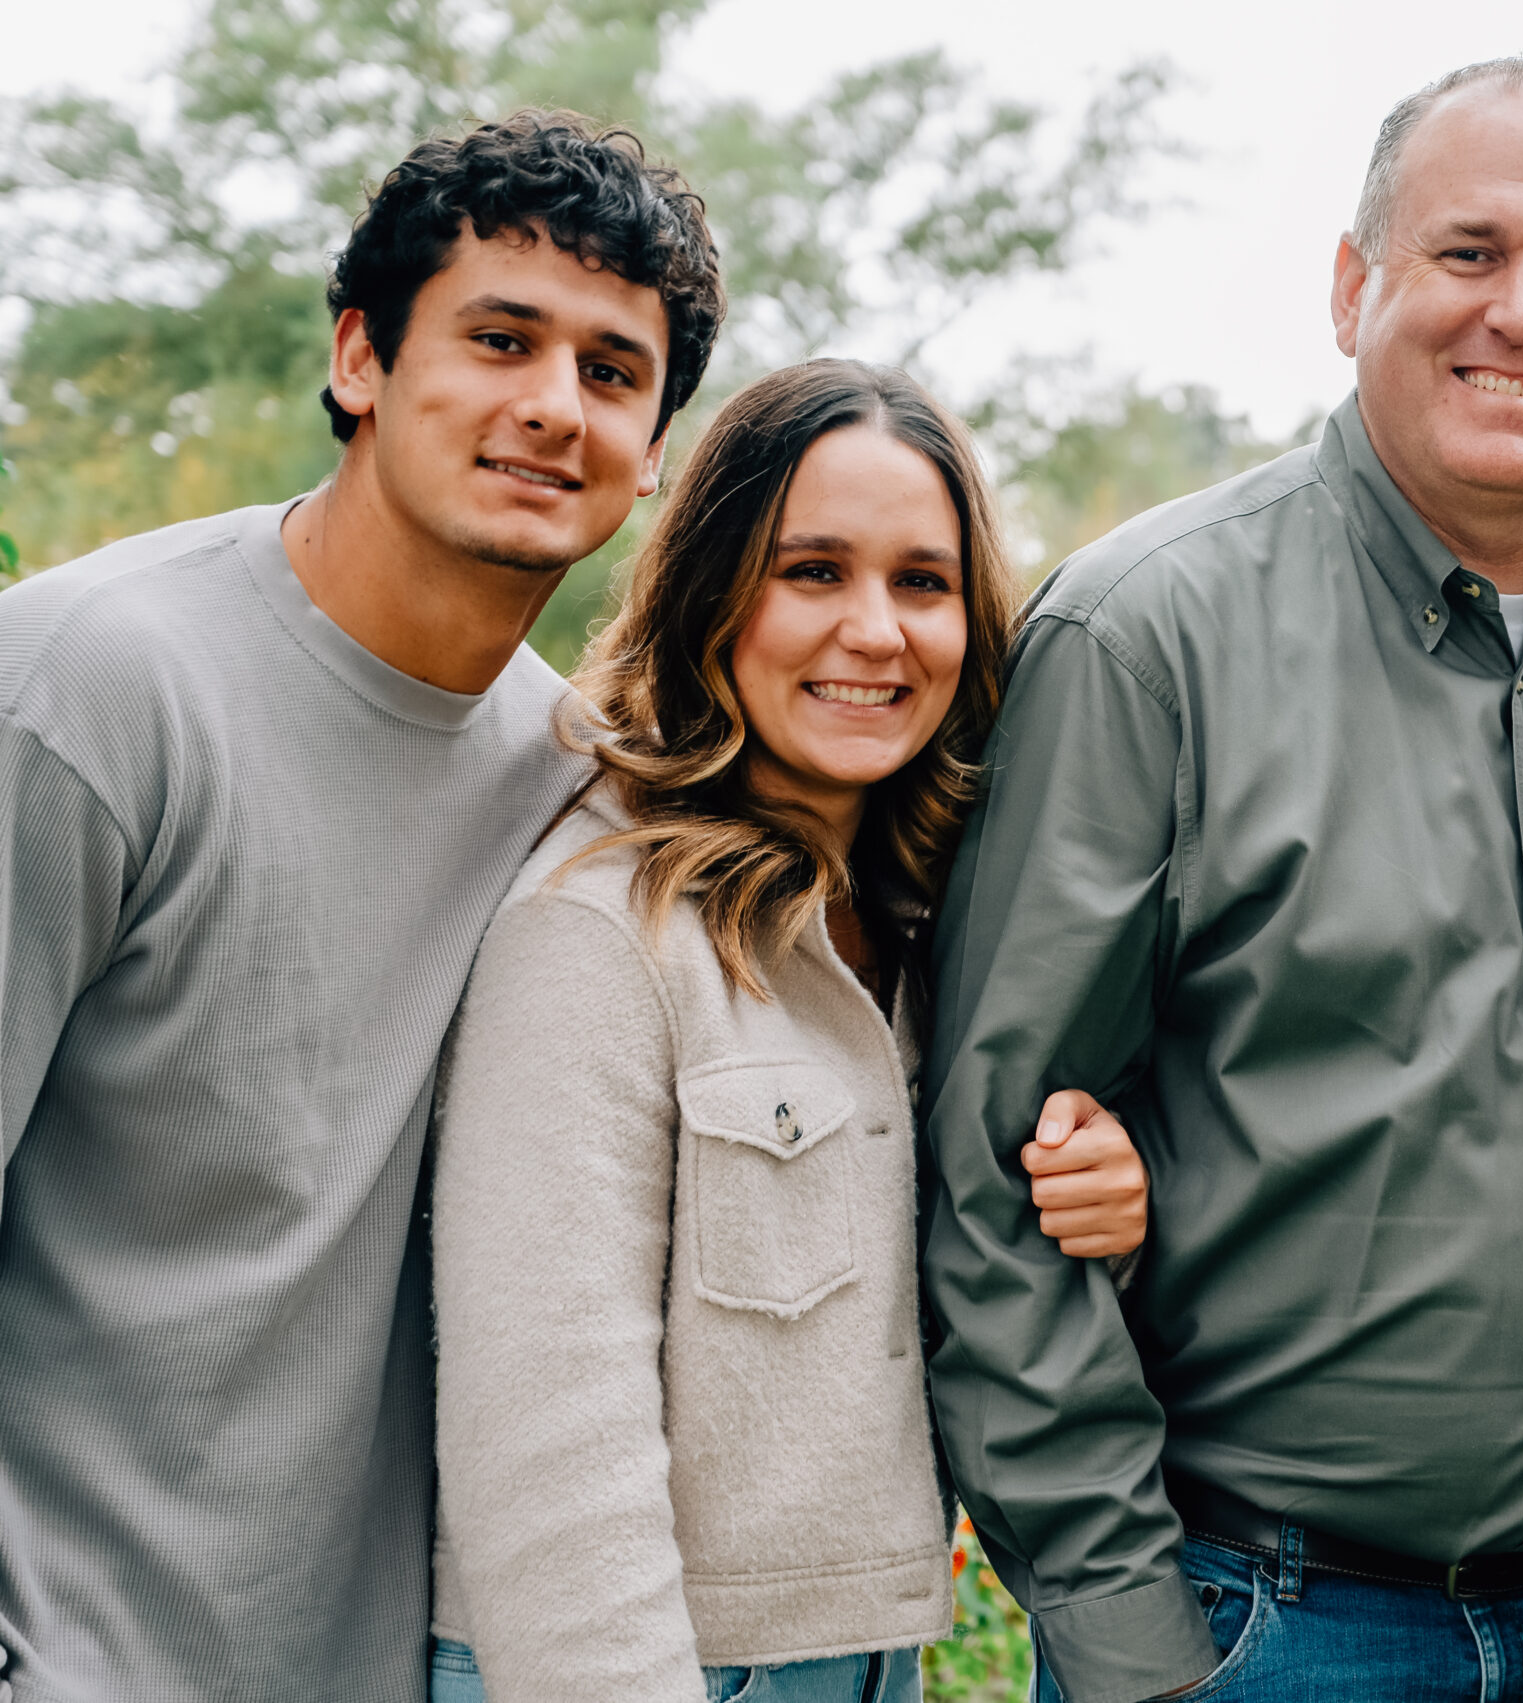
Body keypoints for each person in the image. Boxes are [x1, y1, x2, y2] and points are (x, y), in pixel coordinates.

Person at [921, 57, 1523, 1703]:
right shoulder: (1143, 636)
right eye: (1467, 252)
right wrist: (1135, 1646)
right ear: (1354, 286)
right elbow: (1000, 1168)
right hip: (1260, 1625)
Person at [0, 112, 721, 1703]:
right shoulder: (85, 687)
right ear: (359, 359)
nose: (553, 404)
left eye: (612, 372)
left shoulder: (572, 789)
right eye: (500, 339)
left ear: (657, 445)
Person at [425, 359, 1154, 1703]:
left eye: (922, 582)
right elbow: (543, 1439)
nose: (876, 630)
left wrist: (1108, 1177)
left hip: (871, 1653)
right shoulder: (599, 931)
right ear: (713, 591)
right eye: (812, 570)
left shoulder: (937, 934)